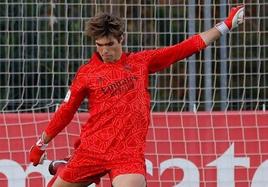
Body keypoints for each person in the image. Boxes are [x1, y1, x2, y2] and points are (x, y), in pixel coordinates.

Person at [29, 5, 245, 187]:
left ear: (121, 39)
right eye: (99, 46)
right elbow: (66, 111)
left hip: (127, 154)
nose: (105, 51)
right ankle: (64, 166)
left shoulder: (140, 62)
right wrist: (41, 144)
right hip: (91, 150)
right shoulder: (87, 73)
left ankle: (62, 165)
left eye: (110, 44)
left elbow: (184, 48)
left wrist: (225, 25)